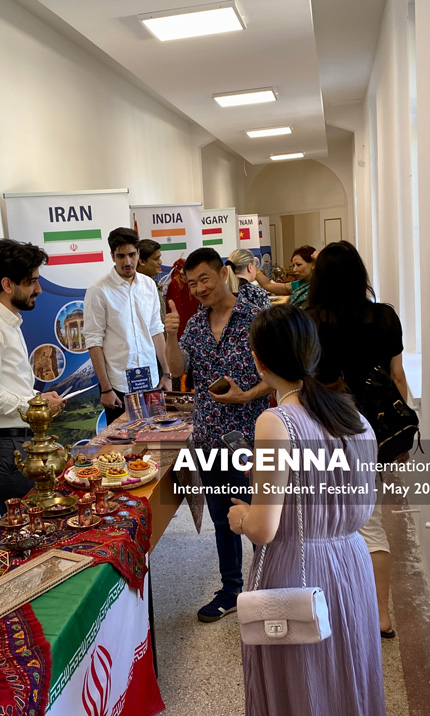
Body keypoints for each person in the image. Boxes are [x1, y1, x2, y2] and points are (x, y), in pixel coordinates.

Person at [228, 303, 385, 716]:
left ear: (259, 361)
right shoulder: (353, 416)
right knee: (348, 669)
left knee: (302, 680)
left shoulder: (275, 421)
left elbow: (263, 528)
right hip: (351, 561)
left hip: (296, 565)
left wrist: (241, 517)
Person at [306, 239, 408, 638]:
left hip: (322, 429)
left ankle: (334, 609)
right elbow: (397, 378)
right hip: (371, 432)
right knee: (371, 524)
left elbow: (302, 383)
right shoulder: (384, 318)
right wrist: (399, 438)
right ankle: (381, 615)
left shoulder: (308, 321)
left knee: (323, 526)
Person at [164, 247, 271, 622]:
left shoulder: (255, 319)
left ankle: (268, 587)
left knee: (258, 517)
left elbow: (276, 376)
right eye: (192, 283)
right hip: (209, 436)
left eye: (204, 279)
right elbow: (178, 369)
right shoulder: (194, 324)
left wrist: (246, 395)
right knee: (223, 517)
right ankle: (231, 589)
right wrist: (171, 336)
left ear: (223, 273)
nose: (198, 289)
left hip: (250, 436)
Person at [0, 239, 65, 514]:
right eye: (31, 282)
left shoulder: (9, 322)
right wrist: (35, 405)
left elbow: (9, 386)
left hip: (16, 440)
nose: (38, 290)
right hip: (5, 446)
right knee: (28, 526)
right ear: (7, 285)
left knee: (39, 521)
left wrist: (38, 398)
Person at [84, 228, 168, 423]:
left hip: (152, 381)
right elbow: (94, 341)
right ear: (112, 256)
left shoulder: (149, 286)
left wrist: (167, 374)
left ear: (138, 253)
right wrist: (106, 388)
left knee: (154, 435)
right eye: (121, 256)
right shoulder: (98, 291)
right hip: (118, 386)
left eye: (132, 255)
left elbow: (156, 330)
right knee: (123, 440)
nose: (127, 262)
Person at [137, 238, 166, 323]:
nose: (160, 262)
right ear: (142, 261)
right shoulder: (136, 289)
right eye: (156, 259)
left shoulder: (151, 282)